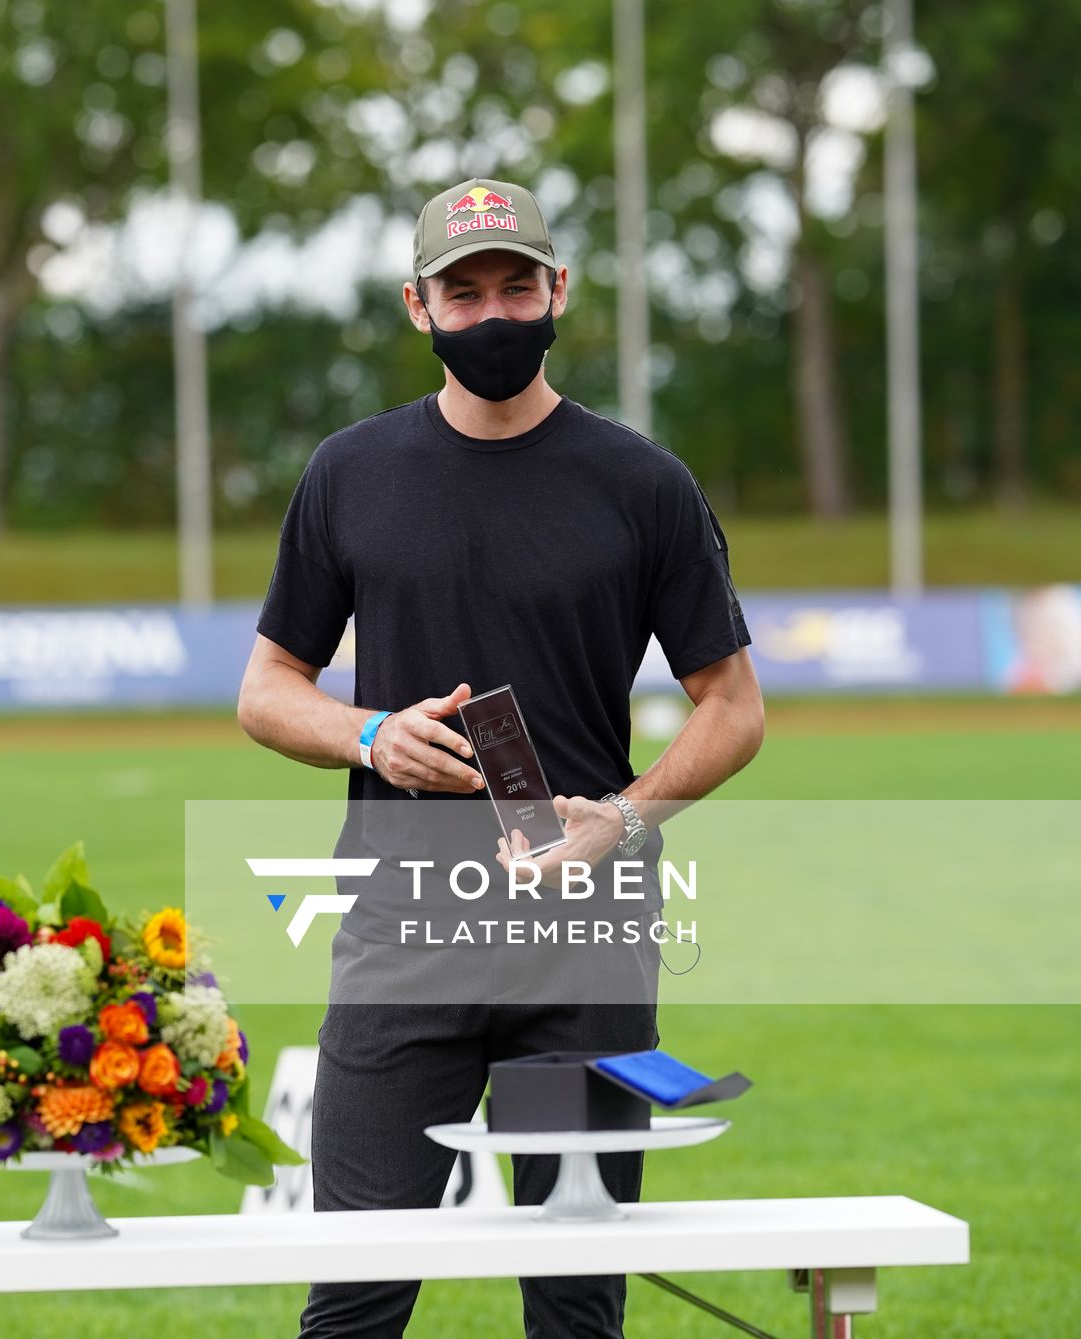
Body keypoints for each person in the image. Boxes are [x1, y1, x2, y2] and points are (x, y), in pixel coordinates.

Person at [236, 179, 764, 1338]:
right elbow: (267, 690)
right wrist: (372, 732)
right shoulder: (350, 472)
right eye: (463, 293)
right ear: (416, 307)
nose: (493, 315)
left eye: (516, 286)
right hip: (402, 928)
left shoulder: (643, 484)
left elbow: (732, 707)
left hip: (585, 934)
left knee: (579, 1304)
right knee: (356, 1300)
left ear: (558, 290)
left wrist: (622, 820)